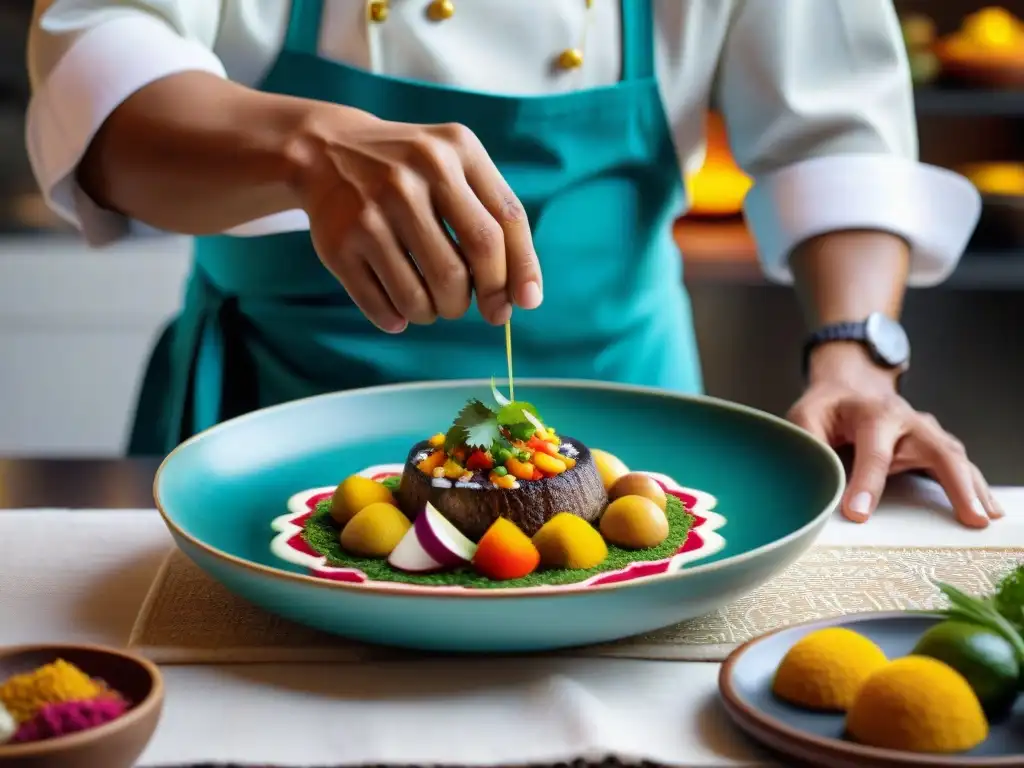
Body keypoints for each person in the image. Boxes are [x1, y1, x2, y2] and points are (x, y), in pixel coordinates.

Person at [26, 0, 998, 528]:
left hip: (626, 450)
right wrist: (304, 148)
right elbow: (99, 71)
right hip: (263, 442)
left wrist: (853, 355)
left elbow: (838, 133)